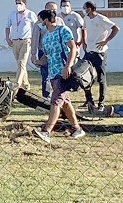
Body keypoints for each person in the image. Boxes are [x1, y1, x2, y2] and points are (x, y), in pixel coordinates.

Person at [33, 9, 86, 141]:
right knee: (65, 103)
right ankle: (77, 128)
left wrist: (67, 66)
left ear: (45, 20)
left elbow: (73, 48)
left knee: (56, 101)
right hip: (53, 73)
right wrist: (39, 62)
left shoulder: (63, 31)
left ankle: (47, 131)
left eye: (40, 20)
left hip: (64, 72)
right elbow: (47, 55)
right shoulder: (45, 37)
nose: (39, 23)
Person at [81, 1, 120, 111]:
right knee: (84, 76)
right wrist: (84, 42)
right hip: (89, 51)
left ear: (90, 8)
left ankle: (101, 103)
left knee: (101, 78)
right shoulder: (86, 19)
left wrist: (105, 41)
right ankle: (89, 100)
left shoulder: (101, 18)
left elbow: (116, 28)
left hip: (99, 52)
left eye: (85, 8)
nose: (83, 10)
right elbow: (83, 29)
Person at [5, 0, 37, 91]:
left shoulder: (30, 14)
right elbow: (7, 27)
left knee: (21, 62)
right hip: (15, 41)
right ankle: (26, 84)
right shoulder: (12, 14)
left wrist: (34, 40)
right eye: (17, 3)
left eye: (20, 3)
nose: (18, 5)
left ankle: (17, 84)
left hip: (26, 41)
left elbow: (36, 27)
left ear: (25, 4)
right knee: (20, 64)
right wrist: (7, 38)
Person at [30, 1, 59, 98]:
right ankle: (46, 95)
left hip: (57, 52)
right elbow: (34, 39)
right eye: (50, 10)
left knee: (57, 74)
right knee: (45, 74)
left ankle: (57, 93)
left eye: (54, 10)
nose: (52, 12)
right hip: (44, 52)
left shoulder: (60, 21)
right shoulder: (39, 24)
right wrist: (33, 54)